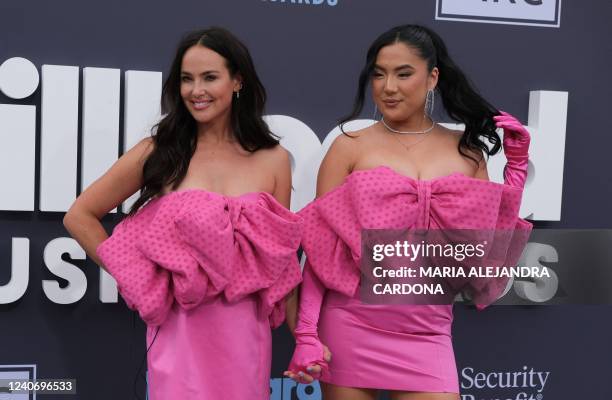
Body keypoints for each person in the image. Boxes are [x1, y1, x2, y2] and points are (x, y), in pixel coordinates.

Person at [284, 24, 532, 400]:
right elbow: (321, 254)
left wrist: (515, 169)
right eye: (379, 74)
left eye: (403, 74)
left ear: (432, 77)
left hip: (428, 330)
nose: (388, 87)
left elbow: (486, 258)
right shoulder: (349, 147)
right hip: (351, 322)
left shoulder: (466, 152)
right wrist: (305, 335)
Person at [63, 27, 302, 399]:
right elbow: (80, 215)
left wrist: (305, 339)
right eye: (186, 79)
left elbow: (278, 260)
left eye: (210, 77)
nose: (196, 90)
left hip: (245, 335)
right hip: (180, 331)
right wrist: (139, 276)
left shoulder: (272, 160)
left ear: (237, 80)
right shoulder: (158, 152)